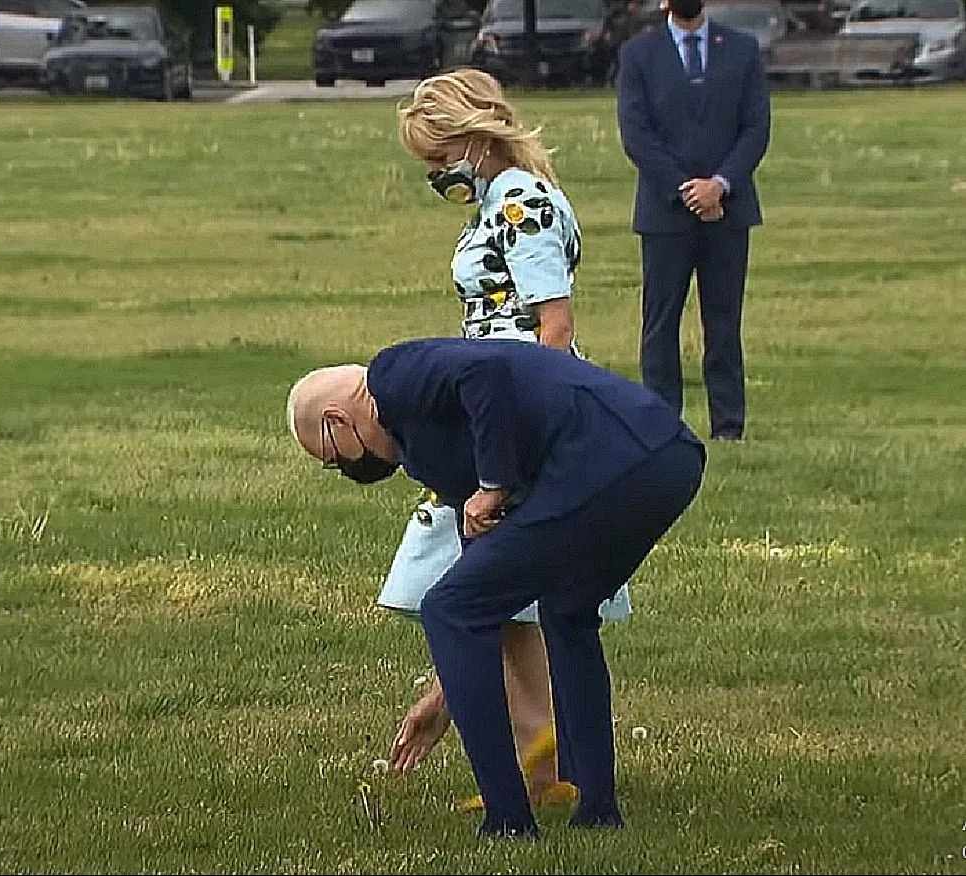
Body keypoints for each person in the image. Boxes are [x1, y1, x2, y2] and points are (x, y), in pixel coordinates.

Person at [285, 337, 705, 836]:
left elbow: (485, 372)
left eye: (334, 459)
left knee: (447, 609)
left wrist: (494, 484)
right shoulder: (426, 447)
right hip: (666, 459)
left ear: (336, 420)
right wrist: (444, 697)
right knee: (565, 610)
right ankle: (597, 809)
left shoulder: (391, 375)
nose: (348, 470)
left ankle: (509, 820)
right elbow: (483, 576)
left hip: (611, 458)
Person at [383, 67, 631, 812]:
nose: (436, 173)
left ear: (472, 137)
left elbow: (553, 326)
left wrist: (530, 438)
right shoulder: (500, 199)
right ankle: (540, 756)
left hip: (516, 409)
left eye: (438, 156)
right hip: (487, 404)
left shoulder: (523, 202)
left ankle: (537, 758)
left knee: (483, 574)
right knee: (504, 591)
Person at [615, 0, 771, 441]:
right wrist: (687, 190)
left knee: (723, 323)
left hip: (728, 211)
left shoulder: (741, 50)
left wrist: (720, 185)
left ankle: (728, 426)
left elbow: (756, 128)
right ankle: (661, 425)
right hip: (666, 214)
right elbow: (636, 134)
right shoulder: (638, 54)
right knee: (660, 324)